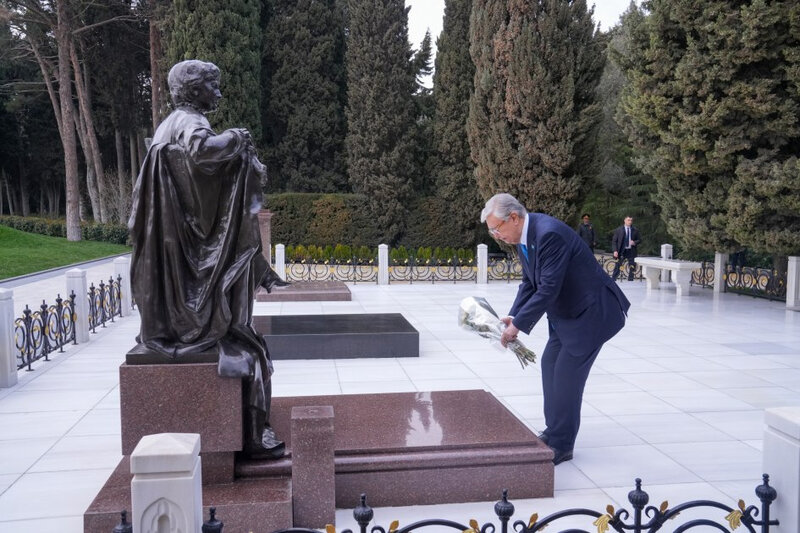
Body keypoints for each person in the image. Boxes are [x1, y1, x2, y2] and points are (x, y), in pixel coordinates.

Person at [129, 60, 284, 459]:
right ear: (195, 90)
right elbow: (202, 153)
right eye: (213, 87)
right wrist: (238, 138)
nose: (218, 94)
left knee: (246, 341)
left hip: (175, 253)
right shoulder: (189, 122)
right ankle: (250, 433)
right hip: (188, 260)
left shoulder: (170, 123)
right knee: (246, 345)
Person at [481, 193, 630, 465]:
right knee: (550, 363)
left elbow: (548, 287)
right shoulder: (527, 238)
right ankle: (553, 432)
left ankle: (562, 445)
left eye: (496, 228)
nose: (495, 235)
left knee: (566, 375)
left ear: (513, 218)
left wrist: (518, 327)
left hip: (591, 314)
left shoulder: (549, 234)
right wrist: (513, 316)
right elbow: (530, 282)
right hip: (566, 315)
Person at [611, 216, 641, 281]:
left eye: (631, 220)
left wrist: (634, 242)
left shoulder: (635, 230)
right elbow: (614, 241)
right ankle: (613, 279)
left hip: (631, 251)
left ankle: (630, 280)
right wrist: (615, 251)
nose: (630, 222)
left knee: (632, 266)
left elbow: (639, 240)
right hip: (621, 251)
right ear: (624, 220)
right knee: (618, 265)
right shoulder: (619, 230)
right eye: (628, 220)